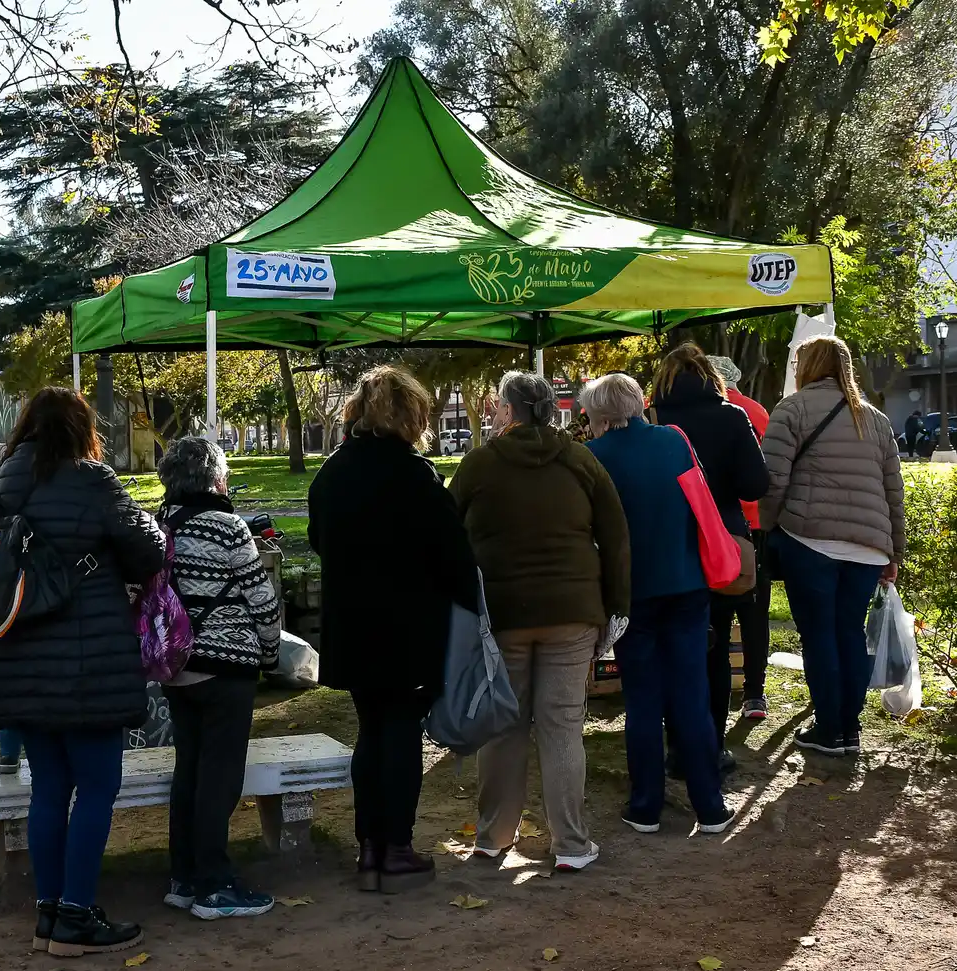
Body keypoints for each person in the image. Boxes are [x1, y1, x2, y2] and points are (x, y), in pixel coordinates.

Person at [0, 387, 164, 957]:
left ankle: (49, 914)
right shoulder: (94, 480)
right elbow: (147, 549)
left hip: (19, 658)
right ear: (83, 428)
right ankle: (77, 916)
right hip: (89, 662)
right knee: (99, 786)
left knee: (49, 789)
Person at [449, 372, 630, 872]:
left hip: (502, 614)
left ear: (510, 411)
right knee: (563, 727)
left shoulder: (480, 463)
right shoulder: (580, 459)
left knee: (503, 726)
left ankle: (492, 838)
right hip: (572, 612)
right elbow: (615, 536)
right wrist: (617, 607)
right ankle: (571, 845)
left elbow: (447, 531)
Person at [308, 366, 475, 893]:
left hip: (353, 624)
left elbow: (317, 538)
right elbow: (455, 557)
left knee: (371, 732)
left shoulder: (332, 473)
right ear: (411, 417)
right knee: (401, 733)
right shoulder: (416, 477)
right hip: (408, 628)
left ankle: (369, 847)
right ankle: (396, 847)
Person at [582, 373, 734, 836]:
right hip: (687, 584)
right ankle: (710, 805)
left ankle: (646, 805)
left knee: (644, 700)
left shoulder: (593, 458)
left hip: (632, 594)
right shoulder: (673, 441)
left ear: (601, 415)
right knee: (692, 695)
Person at [155, 437, 282, 920]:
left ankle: (184, 877)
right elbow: (263, 602)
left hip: (177, 668)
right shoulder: (229, 528)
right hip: (226, 668)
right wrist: (268, 655)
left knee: (188, 769)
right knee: (220, 776)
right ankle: (214, 884)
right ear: (214, 477)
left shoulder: (160, 526)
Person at [762, 335, 904, 757]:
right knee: (849, 633)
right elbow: (893, 491)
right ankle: (850, 727)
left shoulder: (792, 409)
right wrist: (894, 550)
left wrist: (768, 529)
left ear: (806, 366)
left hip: (809, 539)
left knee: (819, 635)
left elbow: (772, 481)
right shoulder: (875, 419)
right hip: (868, 547)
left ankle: (829, 728)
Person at [648, 344, 768, 772]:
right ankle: (711, 747)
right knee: (715, 649)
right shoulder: (732, 416)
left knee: (672, 647)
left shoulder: (654, 420)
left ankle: (676, 746)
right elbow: (756, 485)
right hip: (721, 546)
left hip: (668, 546)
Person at [706, 356, 775, 723]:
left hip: (714, 525)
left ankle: (712, 685)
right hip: (756, 524)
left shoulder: (704, 413)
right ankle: (755, 694)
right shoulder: (757, 413)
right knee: (754, 610)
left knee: (714, 608)